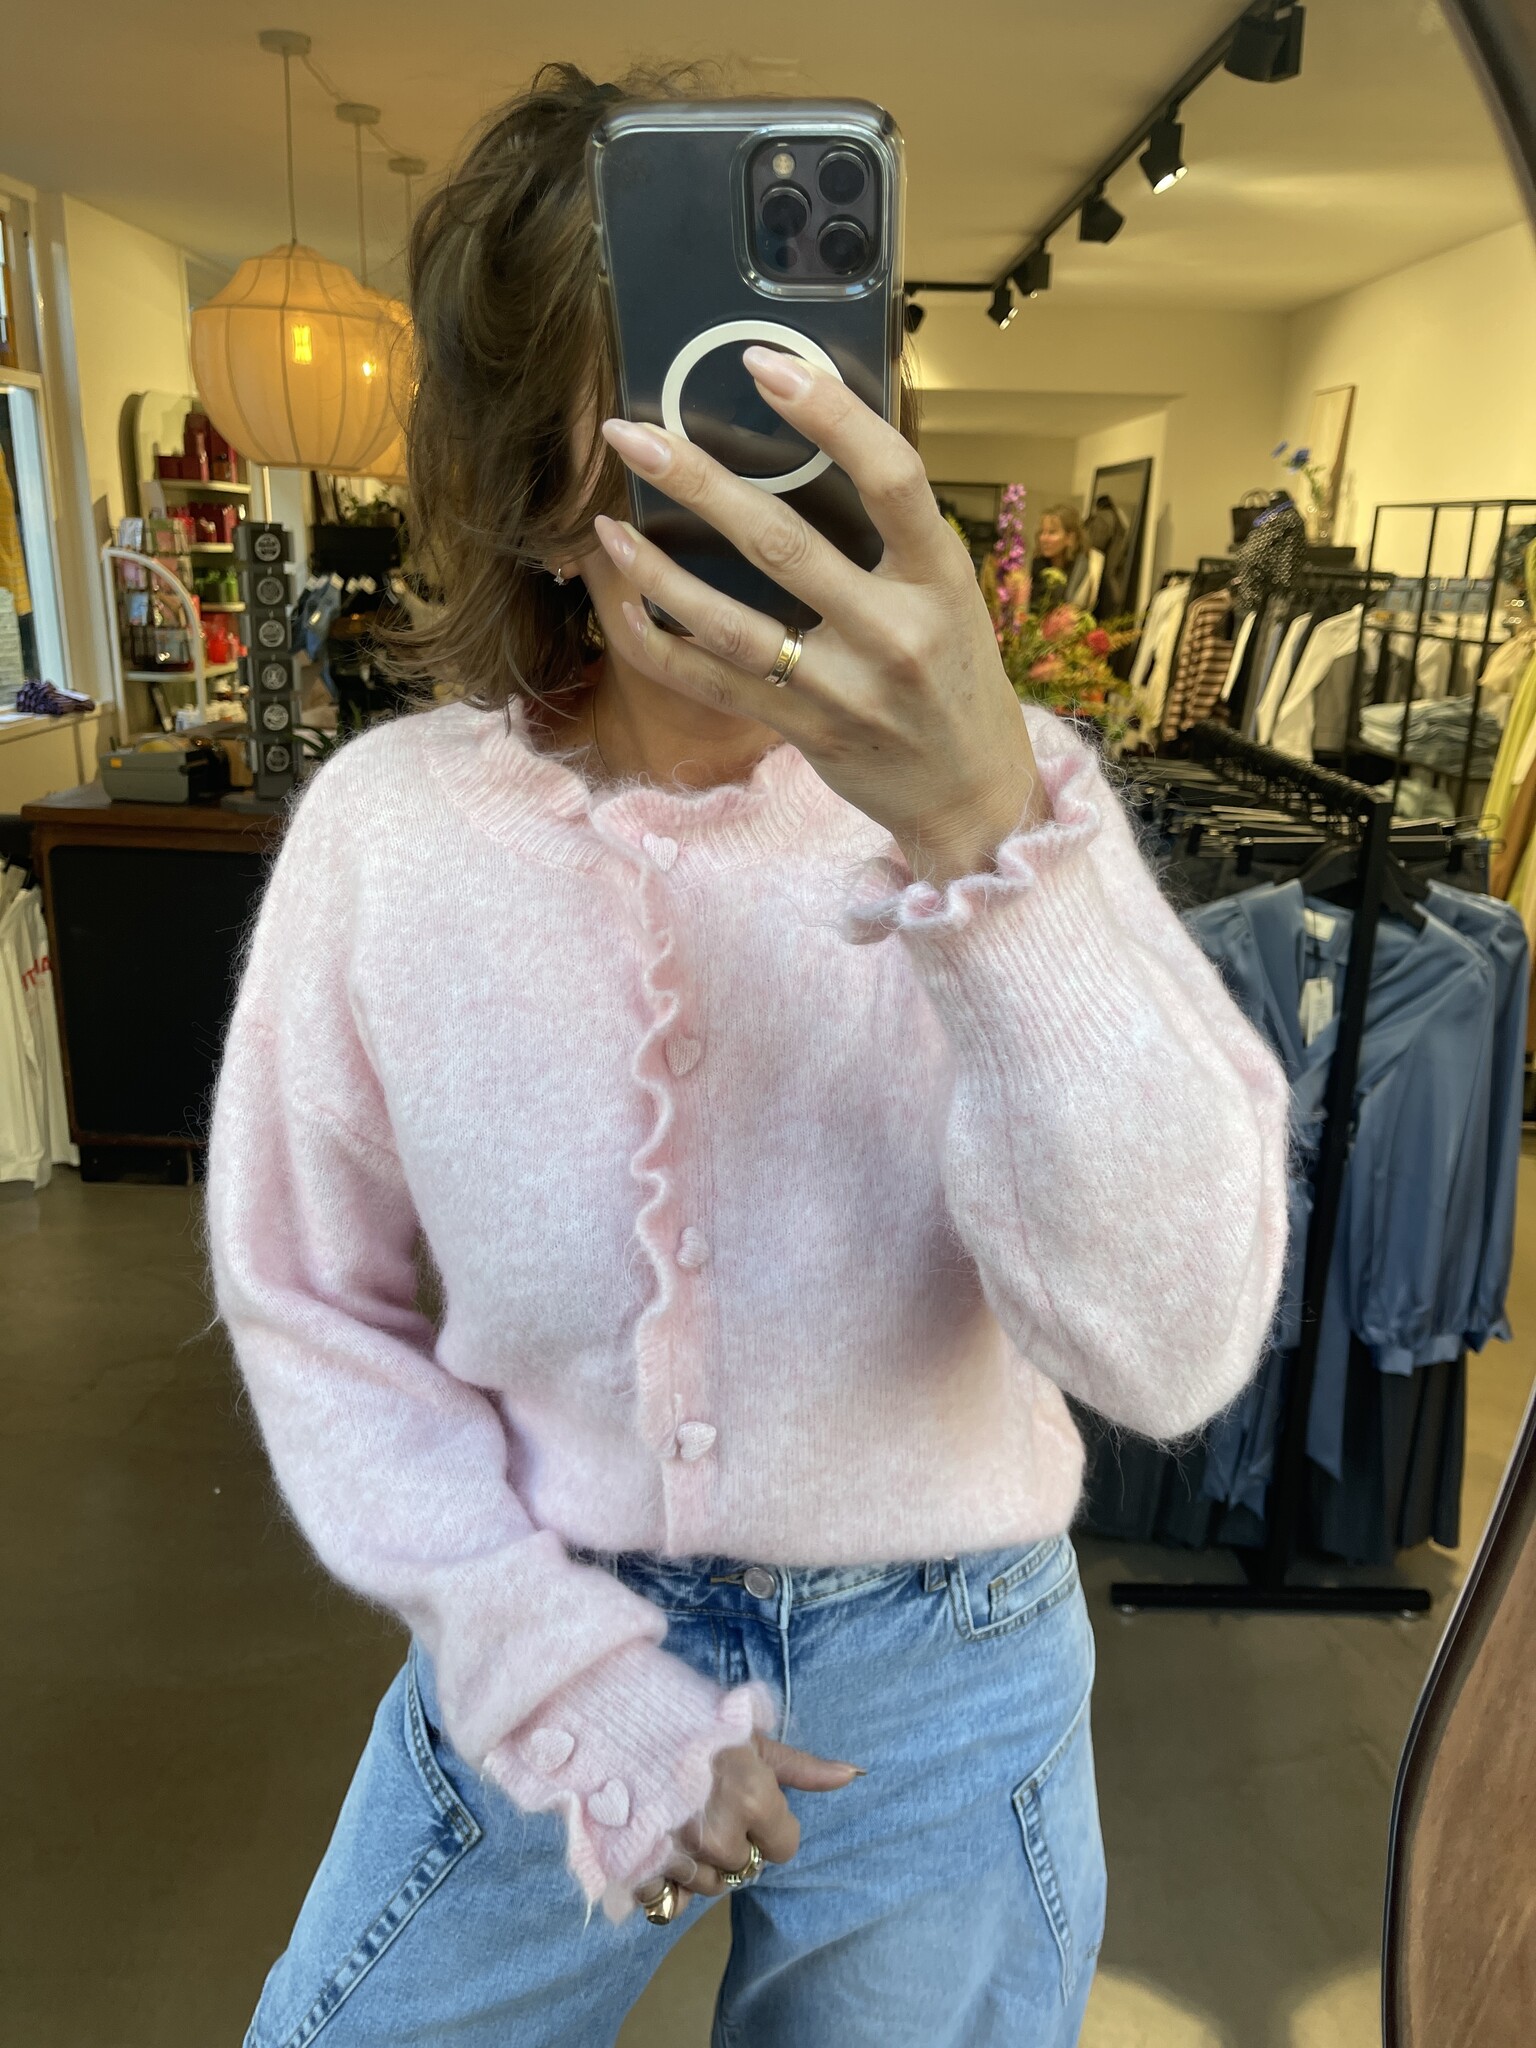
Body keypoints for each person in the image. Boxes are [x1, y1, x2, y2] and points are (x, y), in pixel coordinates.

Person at [207, 63, 1289, 2048]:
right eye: (658, 409)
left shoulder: (1015, 805)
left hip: (948, 1673)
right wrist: (570, 1680)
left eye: (777, 401)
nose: (726, 478)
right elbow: (305, 1298)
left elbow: (1171, 1347)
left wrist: (981, 834)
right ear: (527, 484)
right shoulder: (391, 833)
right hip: (549, 1620)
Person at [1031, 503, 1105, 614]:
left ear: (1070, 538)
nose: (1043, 538)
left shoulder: (1090, 567)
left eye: (1052, 532)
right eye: (1042, 532)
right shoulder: (1036, 565)